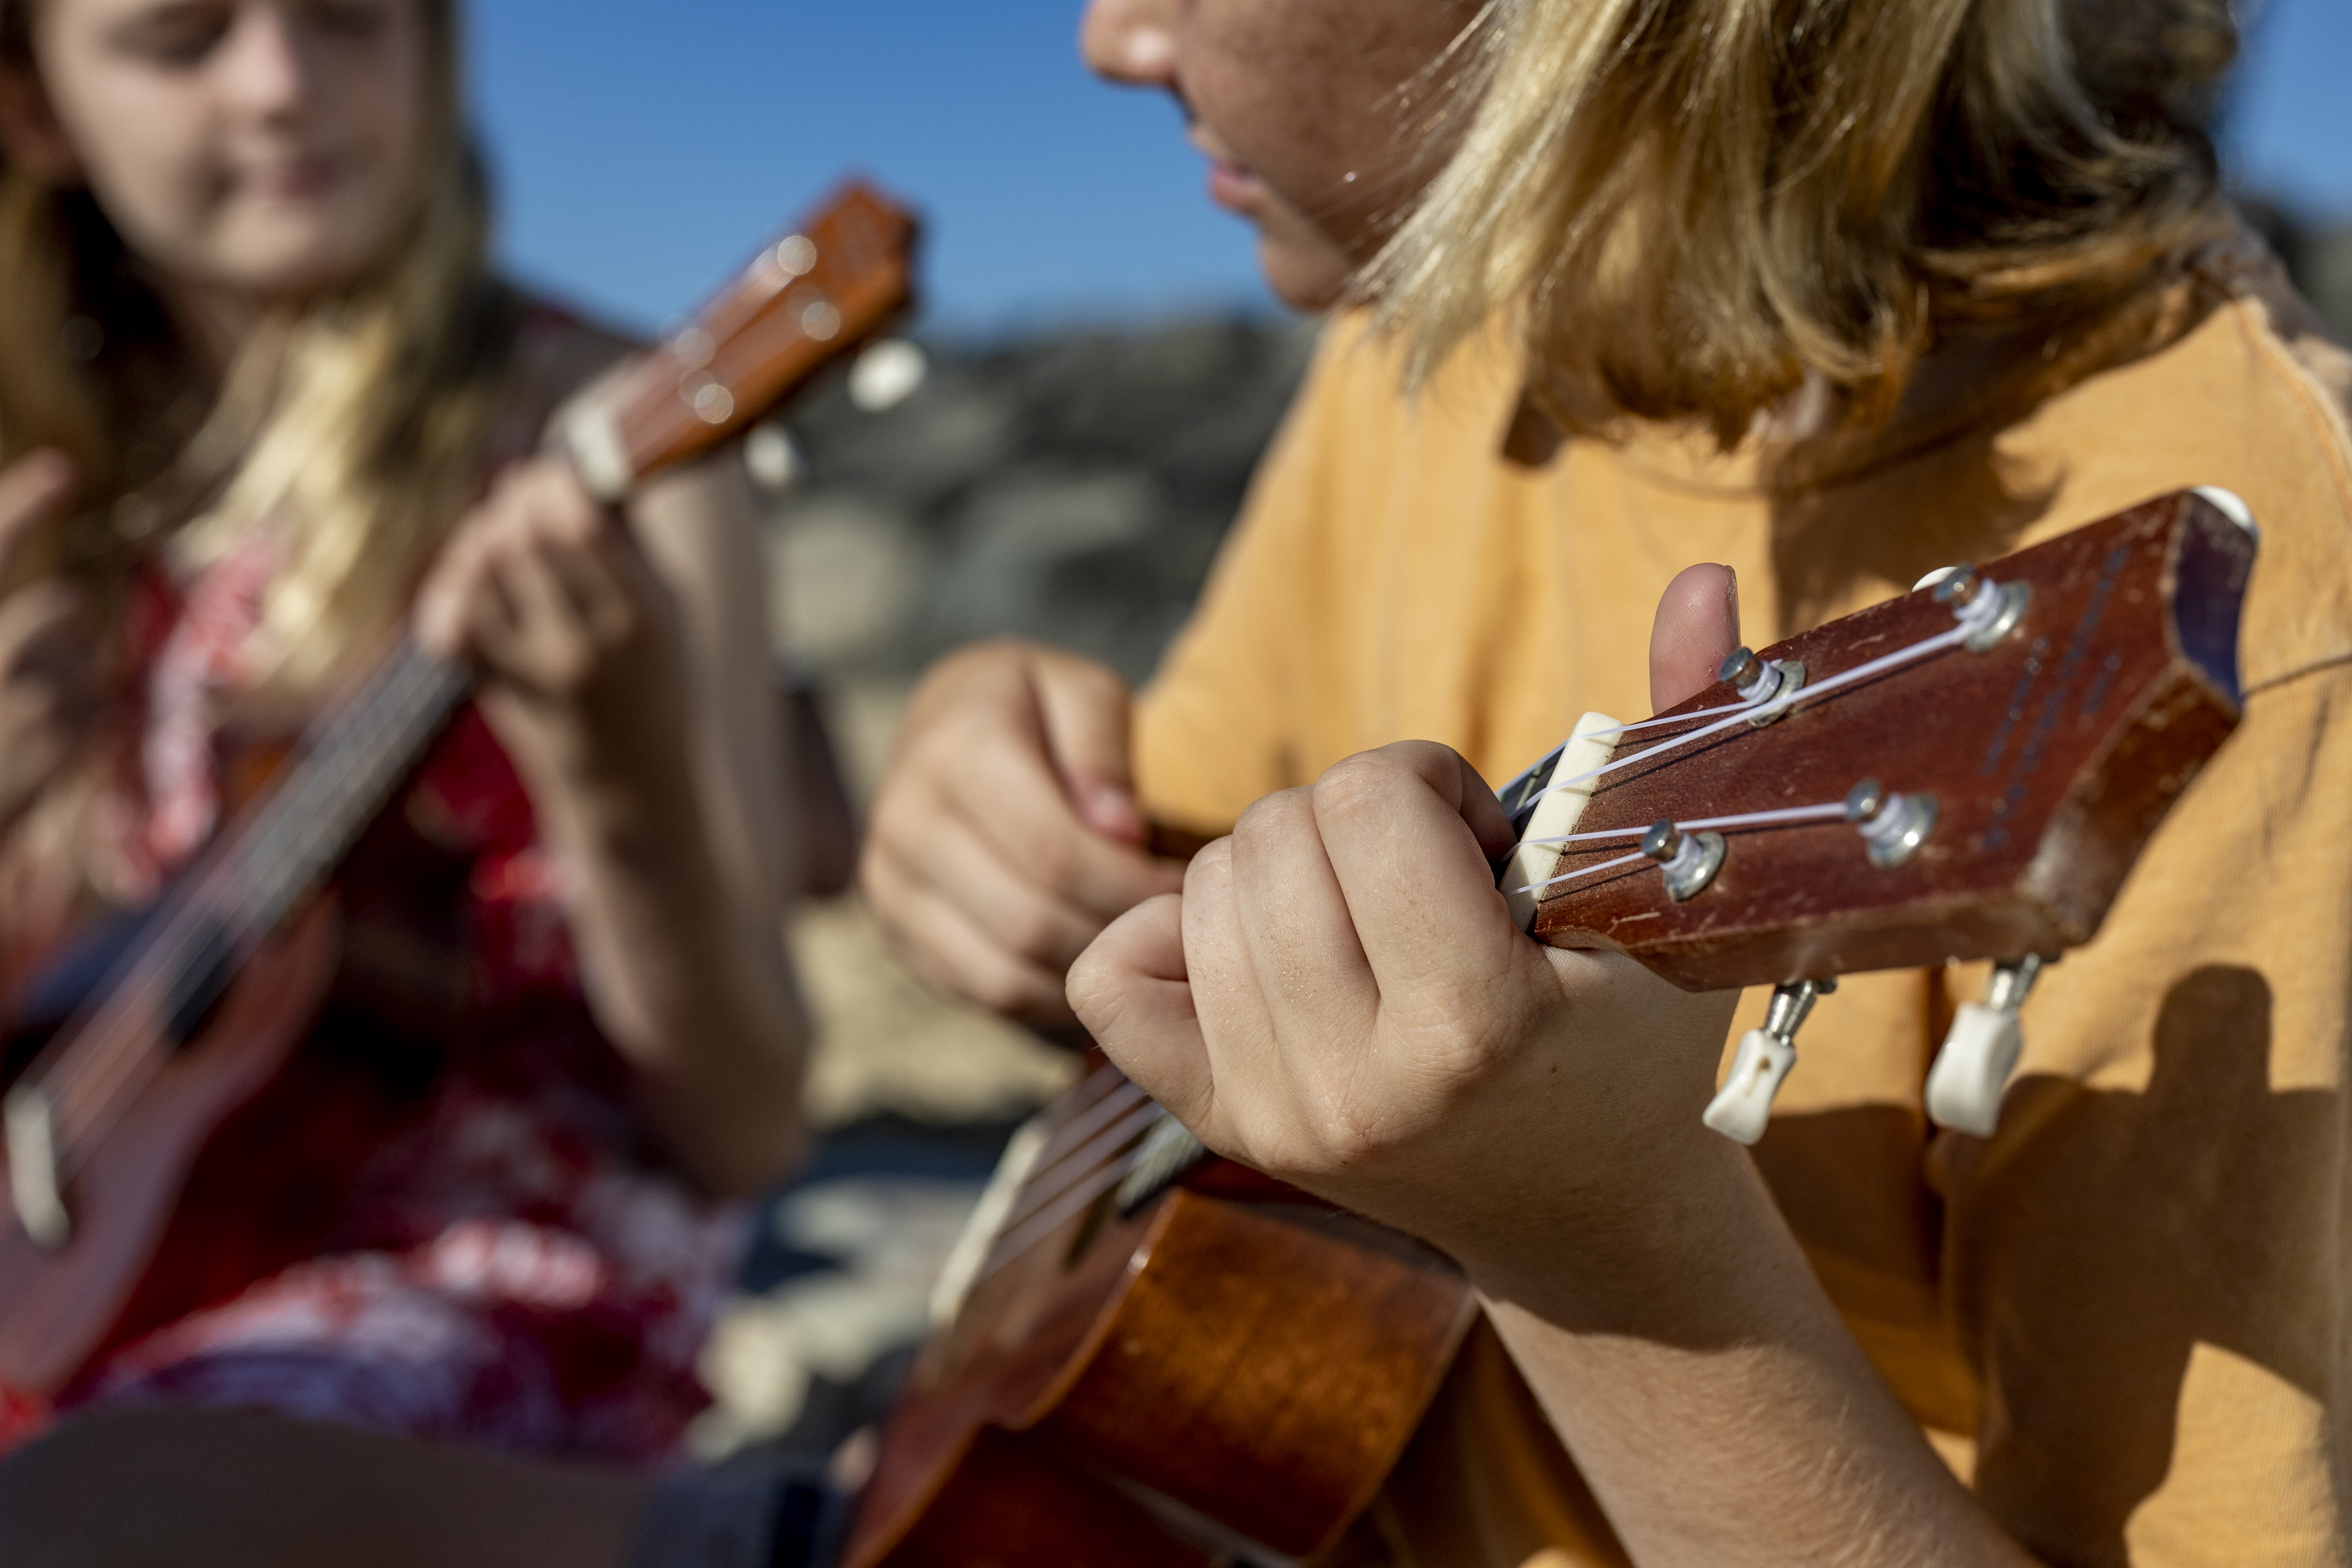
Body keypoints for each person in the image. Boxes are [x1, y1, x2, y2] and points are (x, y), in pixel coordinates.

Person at [867, 0, 2352, 1563]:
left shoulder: (2254, 650)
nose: (1110, 41)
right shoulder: (1456, 294)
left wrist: (1609, 1246)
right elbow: (1184, 968)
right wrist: (985, 795)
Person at [0, 0, 804, 1491]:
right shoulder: (49, 503)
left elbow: (746, 1128)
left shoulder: (608, 444)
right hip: (110, 1264)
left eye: (351, 18)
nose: (283, 84)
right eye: (180, 39)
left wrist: (619, 784)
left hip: (480, 1271)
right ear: (33, 106)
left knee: (100, 1504)